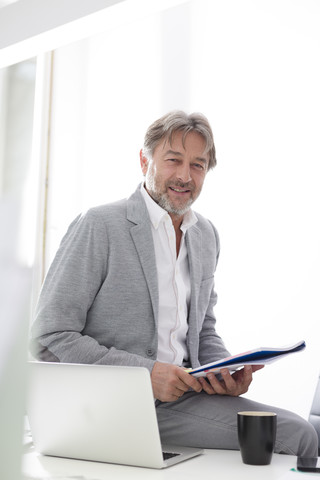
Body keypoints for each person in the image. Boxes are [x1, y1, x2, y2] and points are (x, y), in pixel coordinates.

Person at [30, 110, 318, 456]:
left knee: (296, 433)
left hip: (181, 400)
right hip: (112, 403)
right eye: (173, 160)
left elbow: (202, 330)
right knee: (297, 437)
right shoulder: (99, 225)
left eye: (198, 165)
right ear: (144, 160)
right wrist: (144, 374)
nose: (184, 176)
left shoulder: (205, 235)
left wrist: (225, 371)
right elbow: (49, 336)